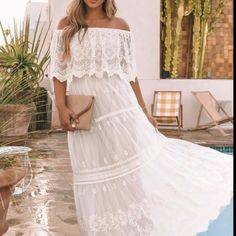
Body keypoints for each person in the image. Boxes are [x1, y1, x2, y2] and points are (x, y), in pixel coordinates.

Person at [50, 0, 233, 235]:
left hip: (120, 108)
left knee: (133, 171)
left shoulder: (120, 26)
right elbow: (59, 73)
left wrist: (144, 112)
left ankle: (140, 228)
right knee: (92, 172)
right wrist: (61, 106)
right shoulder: (66, 25)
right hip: (85, 113)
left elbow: (131, 75)